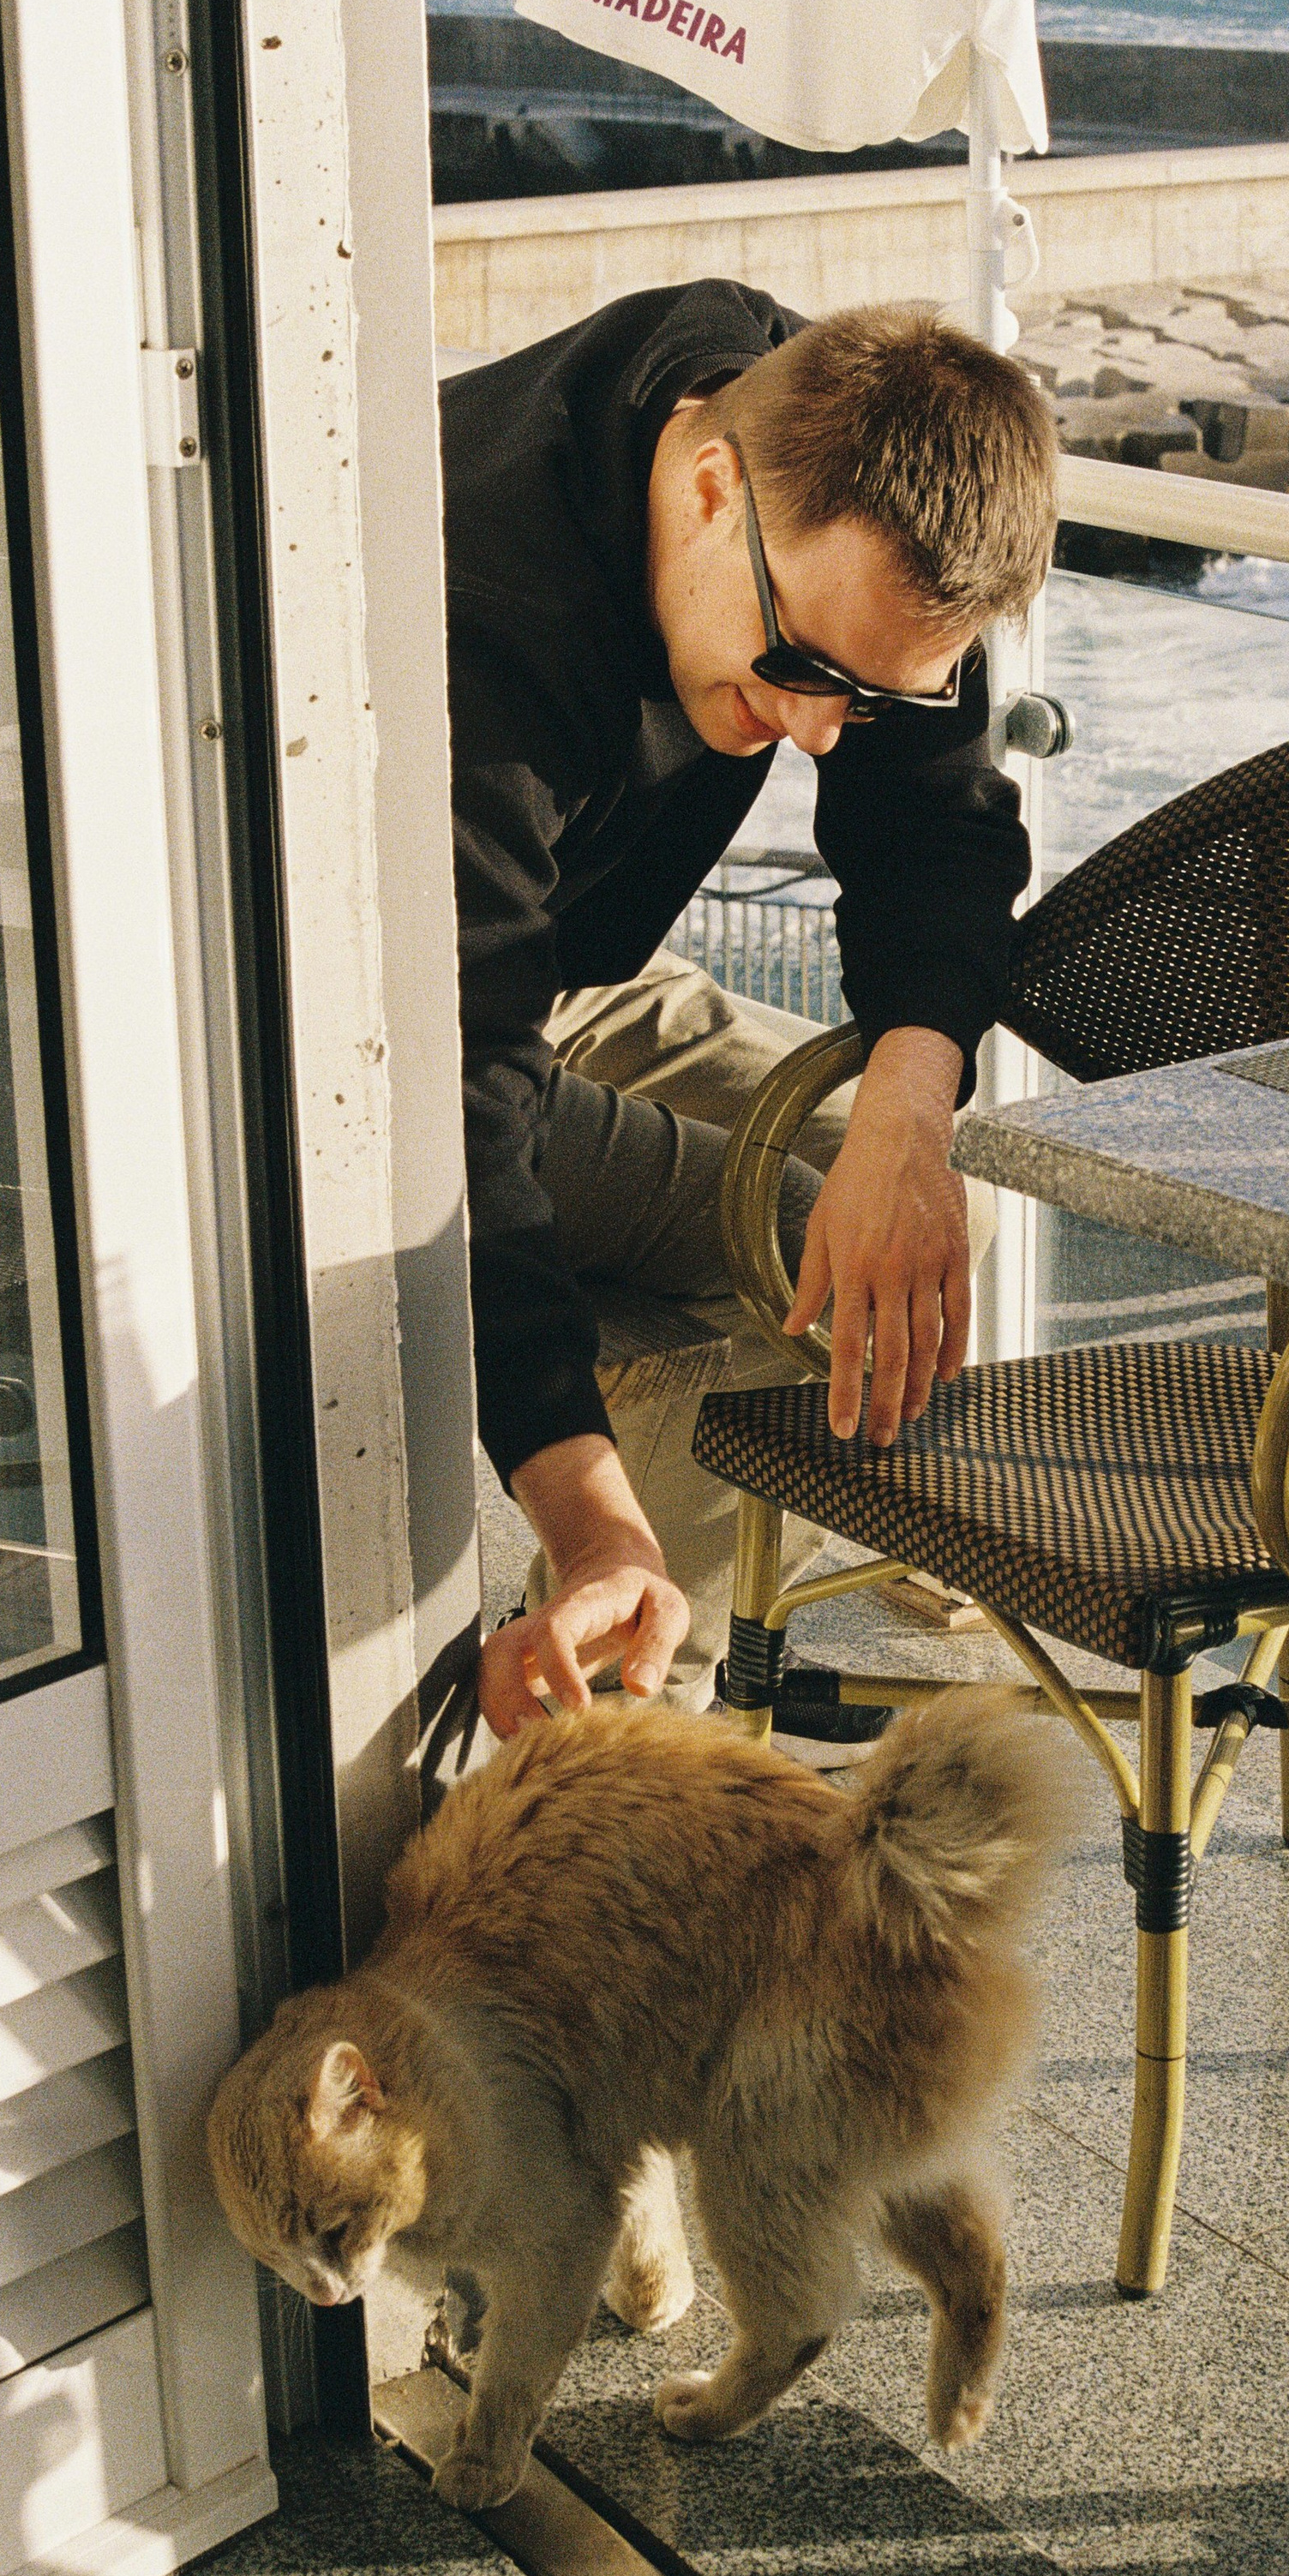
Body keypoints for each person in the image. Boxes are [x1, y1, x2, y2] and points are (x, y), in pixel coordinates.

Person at [441, 285, 1059, 1740]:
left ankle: (696, 1597)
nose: (821, 731)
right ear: (711, 489)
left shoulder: (827, 437)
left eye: (875, 699)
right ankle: (650, 1712)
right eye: (799, 669)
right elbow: (455, 1111)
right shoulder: (485, 624)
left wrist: (910, 1117)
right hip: (372, 1022)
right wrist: (588, 1508)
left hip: (567, 965)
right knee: (792, 1244)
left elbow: (942, 830)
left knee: (929, 1214)